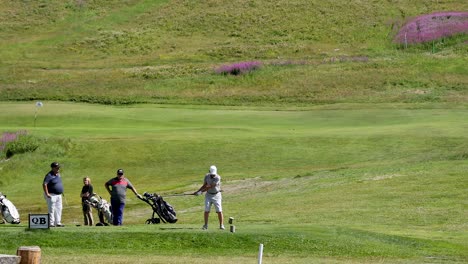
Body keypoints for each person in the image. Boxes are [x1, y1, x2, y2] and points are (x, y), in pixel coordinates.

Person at [193, 165, 224, 230]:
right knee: (206, 210)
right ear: (209, 171)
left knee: (219, 211)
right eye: (212, 174)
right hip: (208, 195)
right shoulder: (207, 176)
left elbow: (210, 186)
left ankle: (221, 225)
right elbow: (204, 185)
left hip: (217, 195)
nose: (213, 175)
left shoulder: (217, 177)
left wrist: (201, 192)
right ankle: (205, 225)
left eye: (213, 174)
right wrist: (197, 191)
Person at [43, 162, 64, 227]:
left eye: (58, 168)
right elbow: (44, 184)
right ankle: (51, 223)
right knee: (51, 209)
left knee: (59, 208)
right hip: (51, 195)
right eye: (56, 168)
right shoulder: (49, 175)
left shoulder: (58, 174)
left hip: (58, 195)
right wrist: (47, 193)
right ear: (53, 168)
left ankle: (58, 222)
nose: (58, 169)